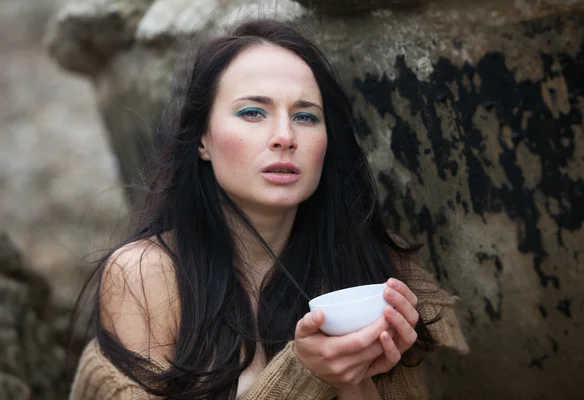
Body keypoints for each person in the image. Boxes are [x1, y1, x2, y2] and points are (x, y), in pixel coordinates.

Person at [69, 18, 468, 400]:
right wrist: (306, 376)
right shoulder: (146, 275)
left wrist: (357, 377)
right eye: (252, 112)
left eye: (306, 116)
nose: (284, 136)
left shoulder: (380, 272)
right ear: (203, 139)